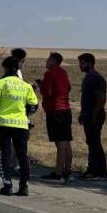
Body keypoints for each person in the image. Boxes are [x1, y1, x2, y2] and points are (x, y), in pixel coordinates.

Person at [0, 56, 39, 196]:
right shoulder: (26, 86)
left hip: (2, 123)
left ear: (5, 68)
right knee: (22, 155)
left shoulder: (0, 83)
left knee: (5, 154)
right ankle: (24, 186)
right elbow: (34, 106)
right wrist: (25, 113)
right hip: (21, 125)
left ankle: (7, 185)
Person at [36, 52, 72, 181]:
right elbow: (68, 88)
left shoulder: (49, 73)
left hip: (56, 111)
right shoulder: (64, 72)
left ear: (53, 60)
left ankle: (58, 172)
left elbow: (48, 92)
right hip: (66, 109)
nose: (46, 62)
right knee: (66, 141)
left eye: (48, 59)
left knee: (60, 142)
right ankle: (67, 170)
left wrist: (41, 86)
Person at [78, 52, 107, 179]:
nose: (80, 65)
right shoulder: (88, 78)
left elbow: (100, 98)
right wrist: (82, 113)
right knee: (91, 142)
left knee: (95, 143)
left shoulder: (97, 78)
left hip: (95, 116)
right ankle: (91, 169)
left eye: (82, 63)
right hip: (87, 115)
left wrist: (94, 115)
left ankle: (99, 172)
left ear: (90, 63)